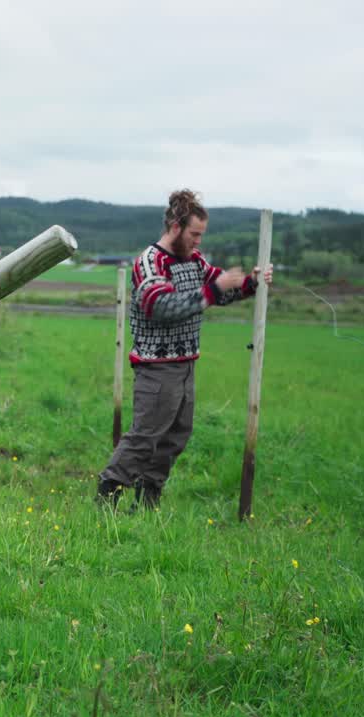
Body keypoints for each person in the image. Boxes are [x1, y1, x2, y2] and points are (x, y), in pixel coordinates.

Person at [96, 189, 273, 509]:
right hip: (157, 366)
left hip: (185, 363)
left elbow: (219, 291)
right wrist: (213, 289)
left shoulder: (195, 261)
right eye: (194, 234)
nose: (198, 241)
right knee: (145, 436)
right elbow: (161, 306)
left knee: (176, 436)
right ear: (176, 227)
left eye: (201, 235)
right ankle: (108, 495)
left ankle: (148, 501)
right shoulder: (149, 262)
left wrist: (249, 284)